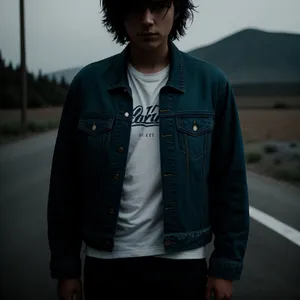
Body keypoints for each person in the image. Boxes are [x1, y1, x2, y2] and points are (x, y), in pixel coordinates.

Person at [47, 0, 250, 299]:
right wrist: (66, 268)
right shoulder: (88, 85)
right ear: (119, 15)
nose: (147, 20)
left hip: (183, 263)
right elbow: (65, 184)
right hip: (107, 264)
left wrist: (224, 267)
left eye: (157, 7)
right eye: (135, 8)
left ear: (177, 10)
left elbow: (230, 182)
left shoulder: (211, 84)